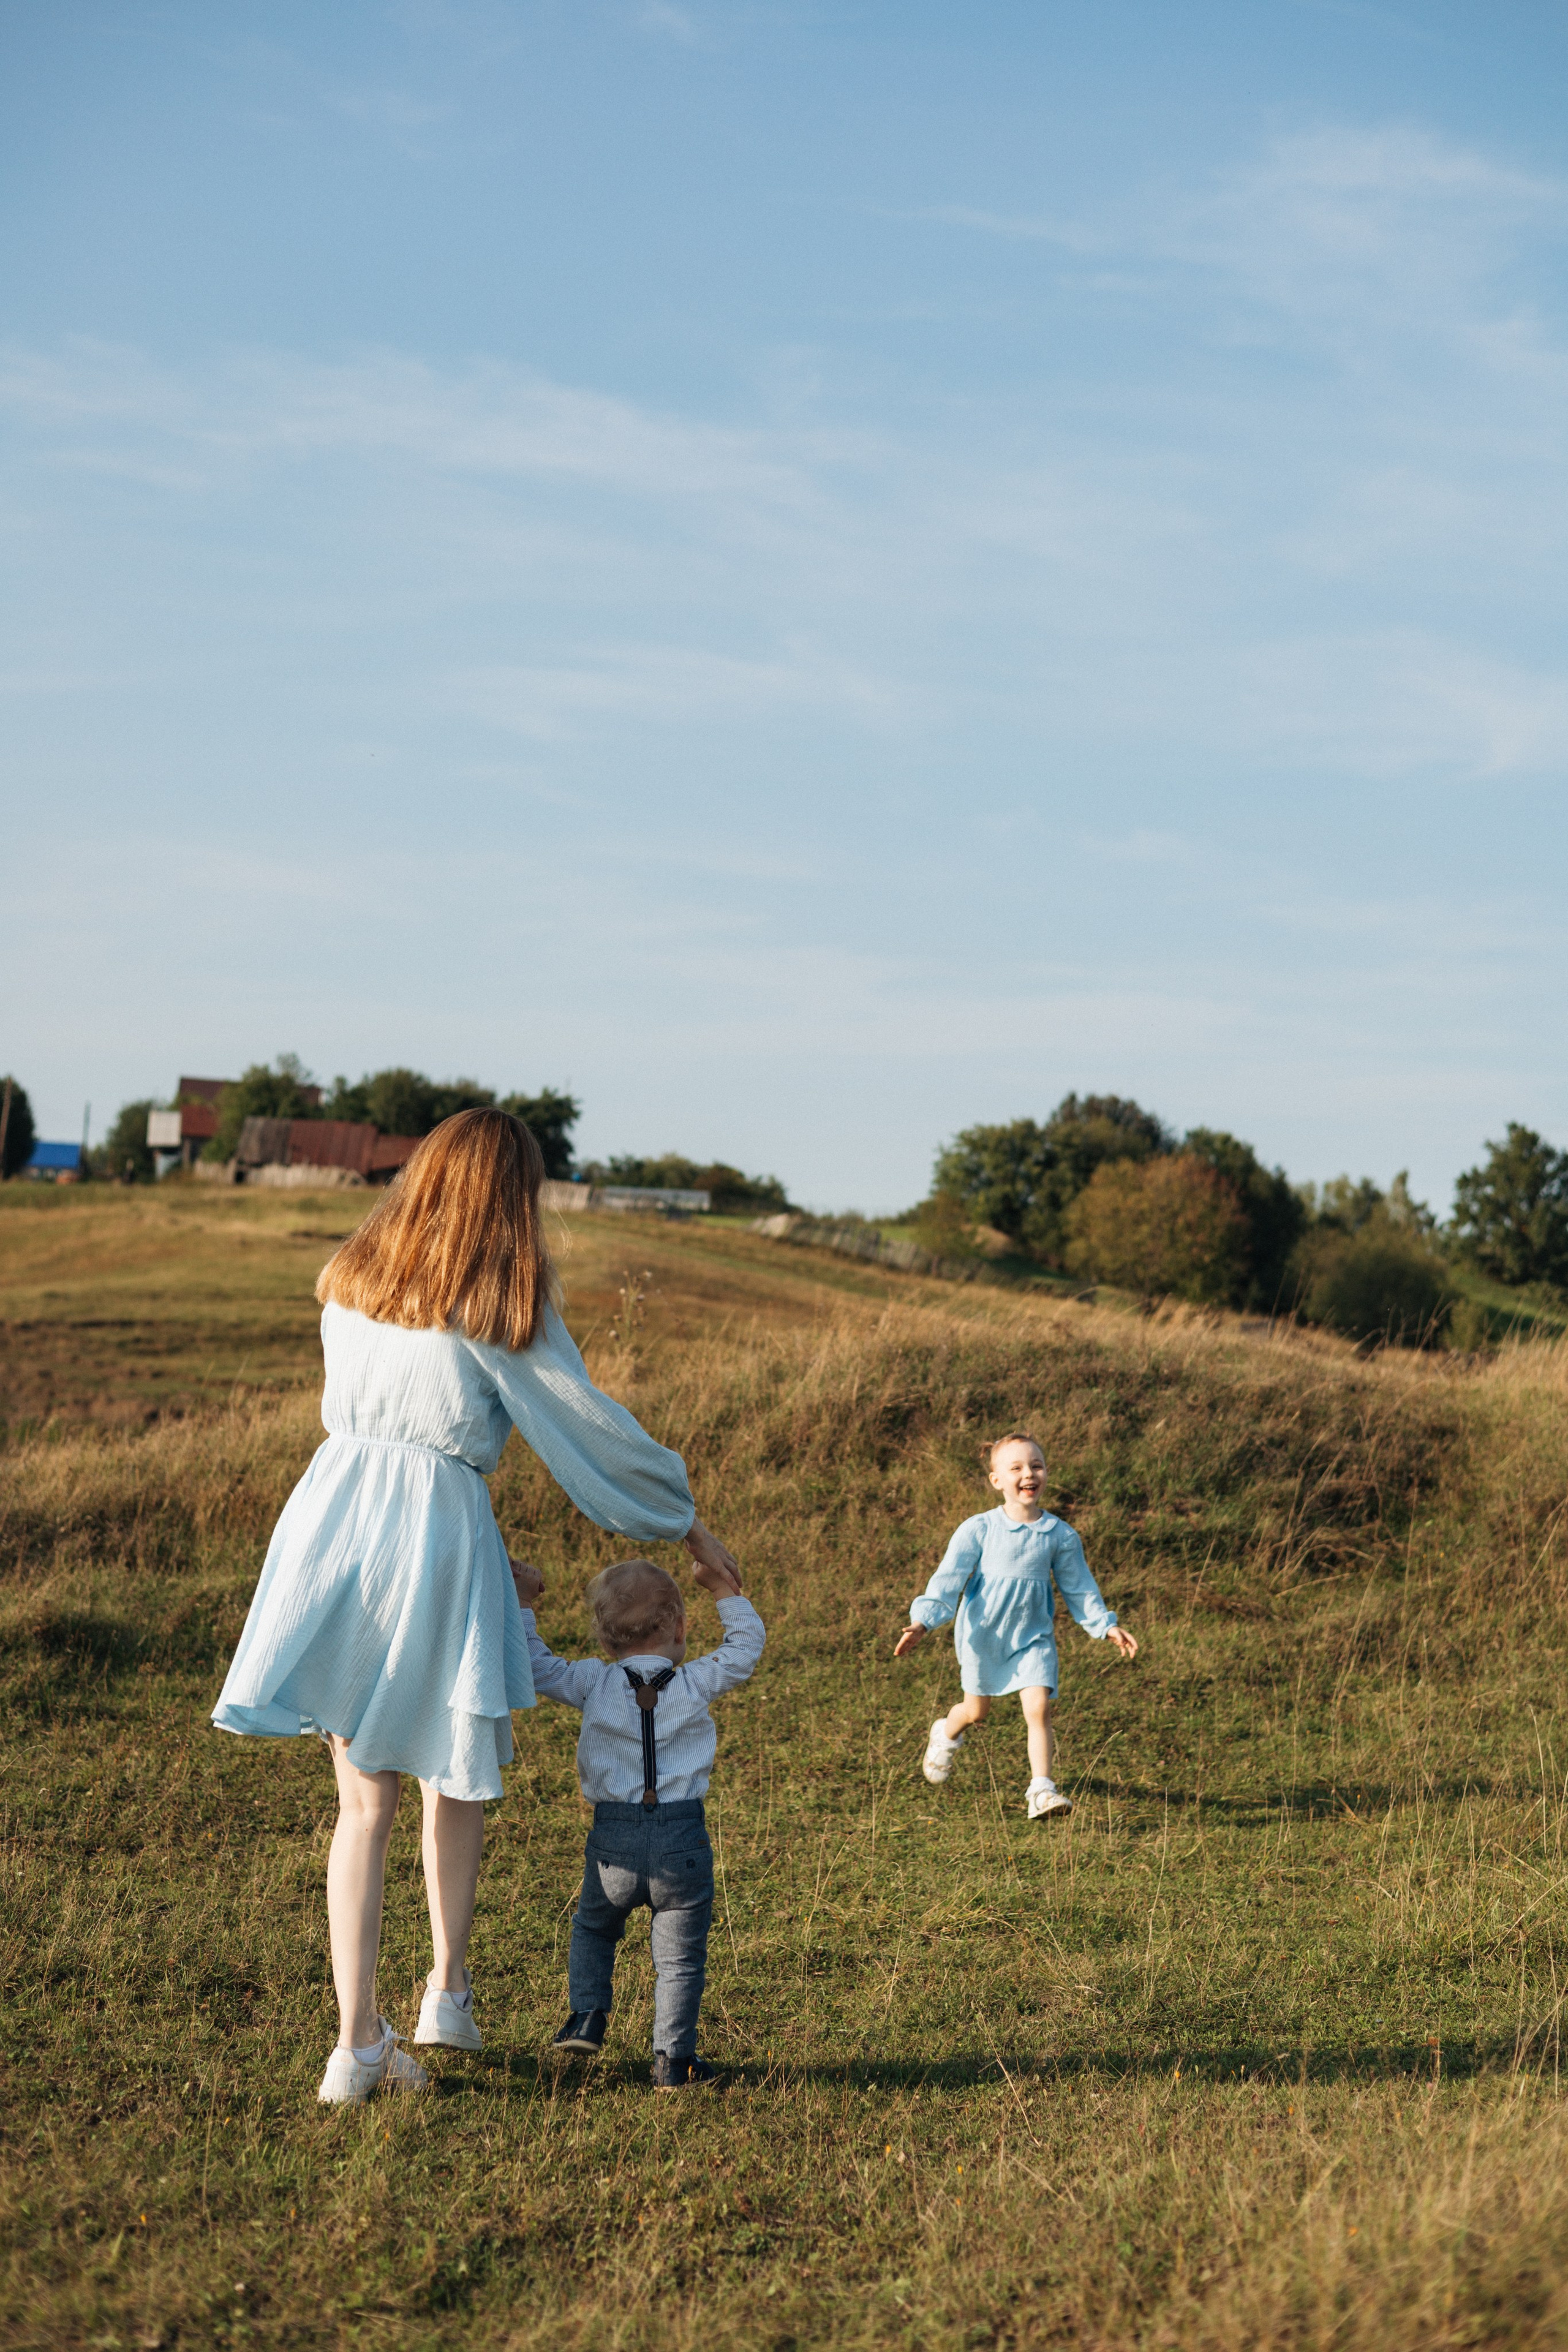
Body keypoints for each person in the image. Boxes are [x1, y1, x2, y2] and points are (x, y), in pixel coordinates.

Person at [210, 1107, 741, 2105]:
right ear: (512, 1197)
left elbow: (391, 1430)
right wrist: (683, 1518)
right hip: (438, 1525)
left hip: (333, 1520)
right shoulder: (499, 1300)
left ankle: (356, 2047)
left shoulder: (350, 1283)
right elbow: (593, 1430)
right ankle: (443, 1990)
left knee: (361, 1804)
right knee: (452, 1771)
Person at [519, 1553, 764, 2087]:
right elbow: (746, 1647)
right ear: (679, 1626)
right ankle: (673, 2064)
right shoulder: (697, 1681)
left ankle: (587, 2014)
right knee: (679, 1962)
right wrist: (722, 1587)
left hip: (613, 1840)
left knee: (594, 1927)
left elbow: (534, 1663)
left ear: (605, 1641)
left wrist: (522, 1604)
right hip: (682, 1841)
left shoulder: (591, 1683)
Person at [894, 1431, 1136, 1818]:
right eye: (1017, 1467)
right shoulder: (979, 1528)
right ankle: (945, 1732)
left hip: (1033, 1638)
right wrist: (923, 1621)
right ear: (997, 1481)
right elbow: (948, 1579)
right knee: (977, 1712)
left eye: (1036, 1466)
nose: (1029, 1474)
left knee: (1038, 1708)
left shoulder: (1060, 1535)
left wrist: (1104, 1625)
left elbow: (1079, 1587)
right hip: (983, 1637)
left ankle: (1041, 1790)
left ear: (1046, 1474)